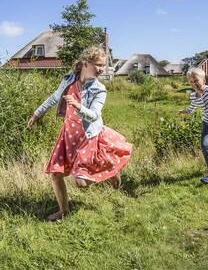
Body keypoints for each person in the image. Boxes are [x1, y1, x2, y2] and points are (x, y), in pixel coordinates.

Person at [27, 46, 133, 221]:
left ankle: (110, 169)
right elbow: (54, 97)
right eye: (98, 65)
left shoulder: (99, 89)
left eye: (103, 66)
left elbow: (94, 115)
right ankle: (64, 211)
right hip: (69, 134)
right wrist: (36, 114)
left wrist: (78, 106)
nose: (101, 69)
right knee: (56, 174)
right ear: (85, 63)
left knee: (81, 183)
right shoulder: (69, 79)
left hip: (88, 136)